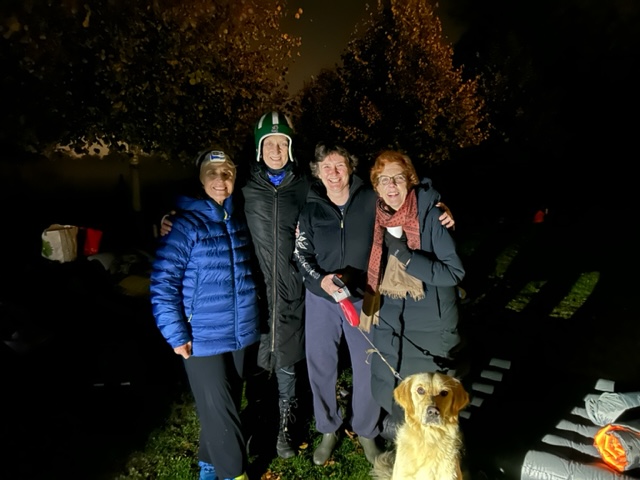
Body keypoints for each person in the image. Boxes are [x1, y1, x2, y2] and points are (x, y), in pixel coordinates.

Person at [160, 111, 309, 459]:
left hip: (287, 289)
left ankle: (284, 424)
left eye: (282, 143)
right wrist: (170, 217)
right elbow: (208, 203)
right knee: (251, 369)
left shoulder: (305, 185)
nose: (275, 150)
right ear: (259, 149)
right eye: (268, 143)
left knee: (285, 359)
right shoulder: (245, 188)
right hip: (250, 294)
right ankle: (251, 426)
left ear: (291, 148)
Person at [150, 149, 259, 480]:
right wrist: (176, 333)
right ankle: (234, 473)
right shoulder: (185, 225)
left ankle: (209, 465)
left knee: (221, 409)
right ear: (200, 178)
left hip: (239, 332)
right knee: (222, 411)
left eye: (227, 173)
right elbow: (163, 282)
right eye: (213, 173)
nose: (220, 180)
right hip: (201, 337)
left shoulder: (238, 218)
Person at [361, 150, 466, 441]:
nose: (391, 185)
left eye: (398, 178)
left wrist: (408, 259)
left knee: (432, 411)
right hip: (392, 323)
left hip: (430, 328)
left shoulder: (431, 216)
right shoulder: (376, 219)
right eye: (384, 179)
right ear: (376, 186)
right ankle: (405, 459)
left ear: (410, 180)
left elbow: (454, 273)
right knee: (397, 398)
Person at [292, 142, 384, 466]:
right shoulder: (311, 207)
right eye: (326, 167)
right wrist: (321, 282)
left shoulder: (372, 200)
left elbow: (405, 213)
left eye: (339, 165)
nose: (333, 173)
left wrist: (436, 206)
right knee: (321, 363)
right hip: (321, 299)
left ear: (350, 167)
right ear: (317, 172)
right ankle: (328, 427)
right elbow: (301, 254)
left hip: (363, 296)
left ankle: (367, 430)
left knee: (367, 364)